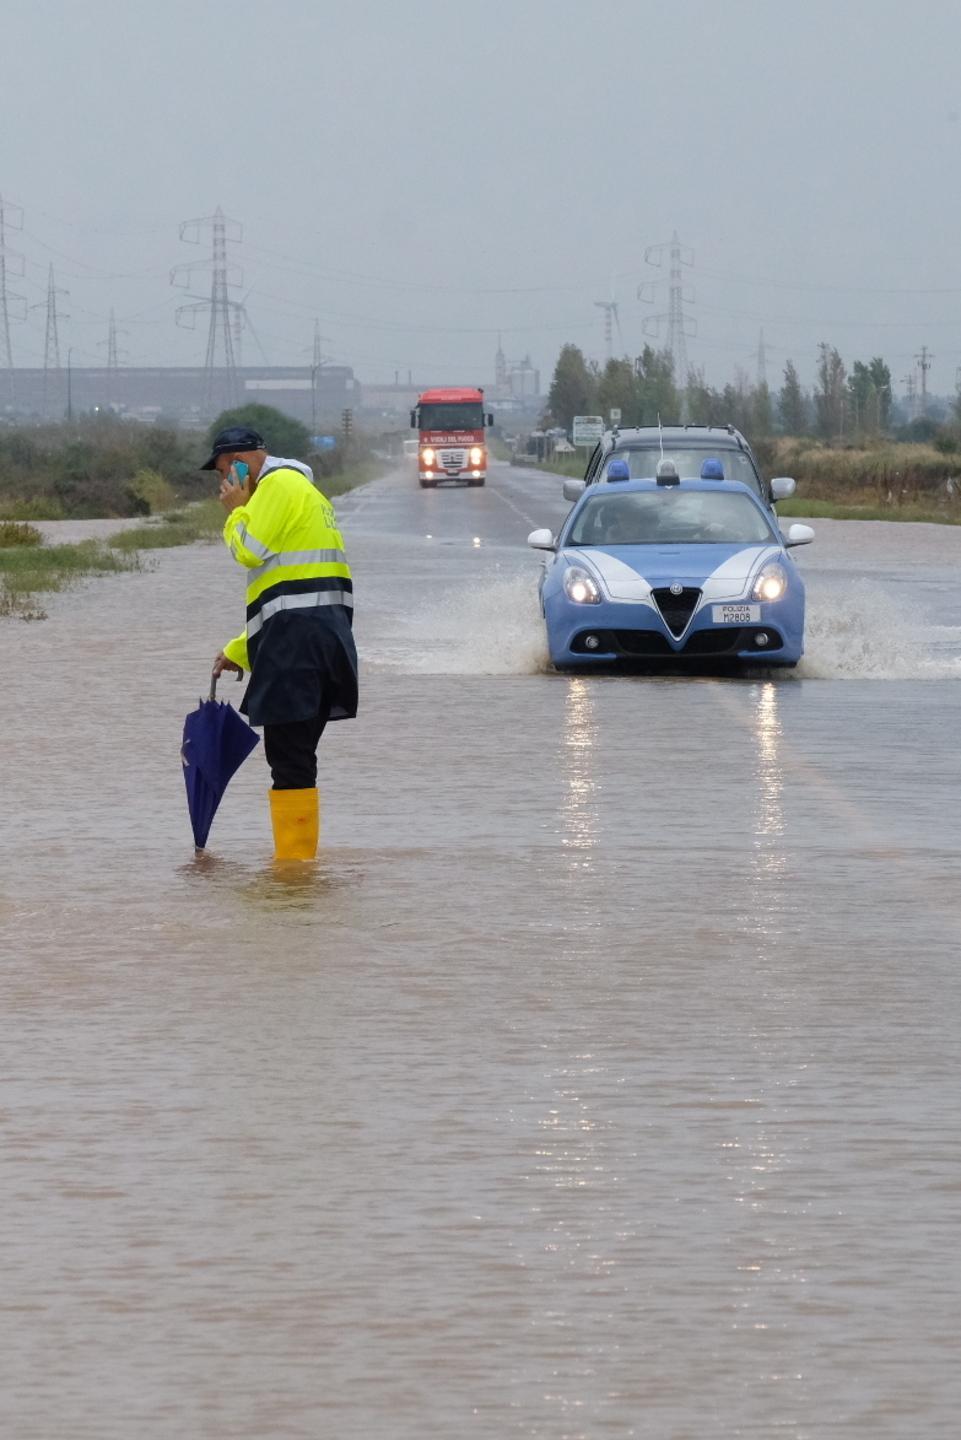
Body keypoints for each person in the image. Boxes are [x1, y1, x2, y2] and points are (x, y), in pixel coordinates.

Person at [206, 425, 357, 861]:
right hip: (321, 642)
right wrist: (239, 650)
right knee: (297, 755)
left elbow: (247, 550)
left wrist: (235, 511)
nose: (225, 484)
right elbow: (290, 591)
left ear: (244, 461)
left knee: (289, 758)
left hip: (297, 646)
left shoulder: (276, 485)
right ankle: (301, 869)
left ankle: (294, 877)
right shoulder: (304, 492)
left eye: (225, 472)